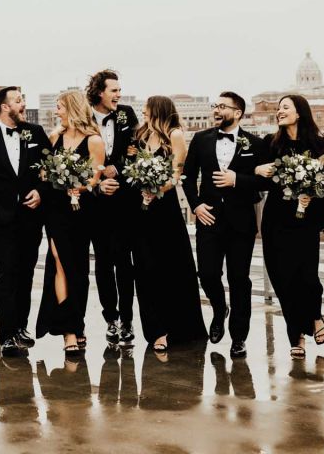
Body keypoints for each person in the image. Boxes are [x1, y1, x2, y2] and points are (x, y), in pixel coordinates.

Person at [181, 92, 265, 359]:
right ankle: (219, 309)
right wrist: (195, 205)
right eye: (214, 106)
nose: (216, 110)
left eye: (222, 107)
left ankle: (239, 337)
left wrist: (237, 180)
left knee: (239, 280)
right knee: (206, 274)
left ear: (237, 112)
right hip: (209, 219)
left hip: (241, 223)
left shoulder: (255, 143)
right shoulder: (201, 139)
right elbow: (187, 177)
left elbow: (265, 181)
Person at [254, 95, 324, 358]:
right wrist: (258, 170)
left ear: (299, 113)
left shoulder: (318, 145)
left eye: (285, 108)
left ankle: (315, 316)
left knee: (307, 276)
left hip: (306, 220)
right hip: (277, 218)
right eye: (278, 108)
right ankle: (296, 336)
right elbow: (262, 182)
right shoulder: (271, 143)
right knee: (283, 279)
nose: (279, 112)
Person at [0, 86, 45, 356]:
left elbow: (48, 169)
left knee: (26, 271)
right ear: (4, 107)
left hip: (31, 215)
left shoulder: (35, 133)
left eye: (23, 99)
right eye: (18, 100)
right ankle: (6, 333)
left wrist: (40, 191)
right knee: (6, 271)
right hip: (0, 218)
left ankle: (20, 327)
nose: (23, 104)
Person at [130, 96, 206, 351]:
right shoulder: (140, 135)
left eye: (147, 111)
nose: (143, 115)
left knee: (172, 266)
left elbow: (177, 175)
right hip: (141, 210)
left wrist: (155, 189)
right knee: (145, 268)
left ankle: (179, 328)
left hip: (165, 210)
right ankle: (155, 329)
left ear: (158, 111)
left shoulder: (175, 135)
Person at [35, 90, 104, 357]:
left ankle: (77, 322)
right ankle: (69, 332)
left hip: (82, 211)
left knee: (78, 270)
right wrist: (55, 178)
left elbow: (95, 177)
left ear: (72, 108)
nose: (56, 111)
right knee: (59, 264)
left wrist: (78, 187)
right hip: (56, 211)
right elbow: (43, 170)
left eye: (60, 107)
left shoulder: (94, 140)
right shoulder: (55, 137)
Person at [86, 69, 140, 344]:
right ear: (99, 92)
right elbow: (75, 154)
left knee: (124, 262)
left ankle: (129, 321)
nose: (119, 95)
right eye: (114, 90)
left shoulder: (127, 114)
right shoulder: (82, 117)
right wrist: (96, 181)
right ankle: (111, 319)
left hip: (123, 199)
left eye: (119, 90)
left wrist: (115, 169)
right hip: (95, 202)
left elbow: (135, 150)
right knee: (103, 262)